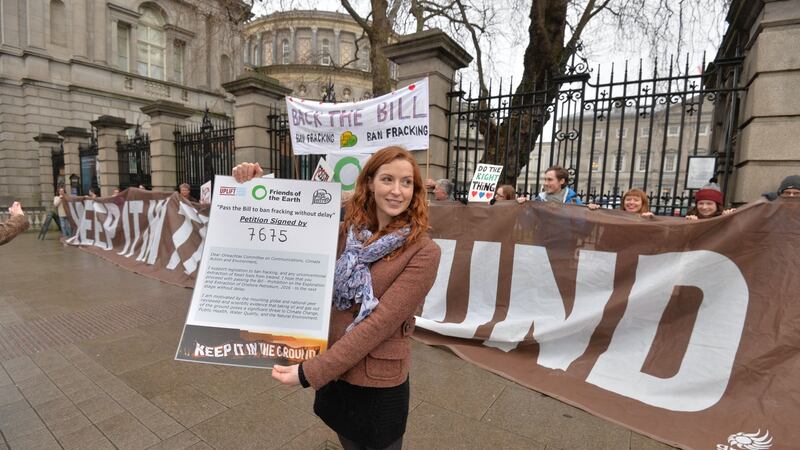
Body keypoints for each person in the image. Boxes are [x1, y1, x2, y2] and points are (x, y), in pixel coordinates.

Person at [232, 147, 441, 450]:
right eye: (387, 179)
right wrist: (259, 188)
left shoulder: (423, 251)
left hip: (376, 381)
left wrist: (311, 373)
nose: (397, 191)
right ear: (369, 182)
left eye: (406, 182)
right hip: (337, 371)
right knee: (347, 441)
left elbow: (379, 325)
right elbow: (285, 236)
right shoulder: (345, 231)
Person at [588, 188, 654, 218]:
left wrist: (651, 222)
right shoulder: (615, 217)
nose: (631, 202)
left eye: (636, 200)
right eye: (628, 199)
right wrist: (592, 212)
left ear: (643, 203)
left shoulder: (649, 218)